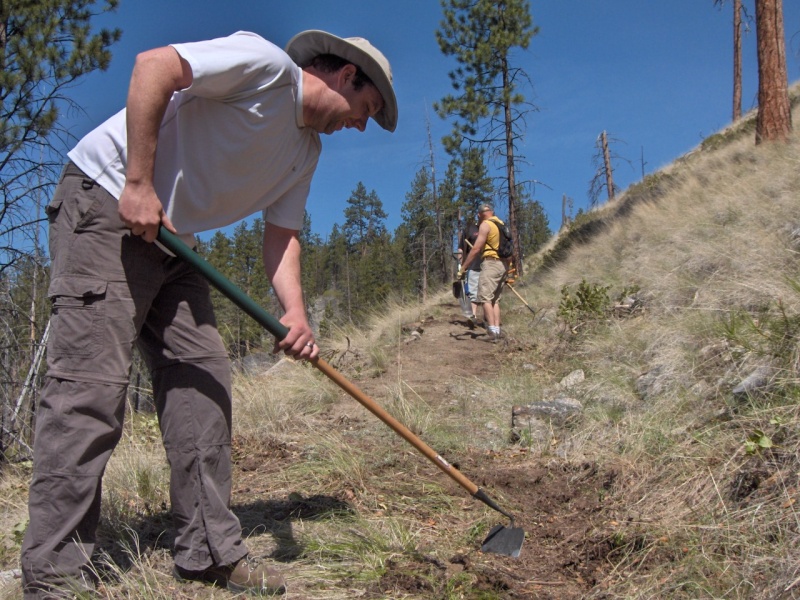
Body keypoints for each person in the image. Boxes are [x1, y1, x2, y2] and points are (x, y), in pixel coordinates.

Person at [20, 29, 397, 599]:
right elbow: (154, 65)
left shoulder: (306, 152)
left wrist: (295, 313)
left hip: (177, 240)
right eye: (366, 109)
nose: (361, 125)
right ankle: (53, 576)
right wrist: (139, 183)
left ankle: (208, 551)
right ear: (346, 76)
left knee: (203, 386)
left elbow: (282, 236)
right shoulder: (265, 66)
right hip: (108, 202)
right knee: (89, 391)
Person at [457, 203, 507, 342]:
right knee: (495, 300)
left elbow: (475, 249)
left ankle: (491, 331)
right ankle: (497, 330)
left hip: (491, 263)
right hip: (503, 264)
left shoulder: (486, 225)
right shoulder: (501, 224)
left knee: (485, 298)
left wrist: (463, 268)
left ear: (479, 215)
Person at [458, 215, 483, 328]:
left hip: (489, 262)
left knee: (488, 291)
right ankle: (473, 317)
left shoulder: (490, 227)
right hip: (473, 263)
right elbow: (461, 248)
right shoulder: (469, 230)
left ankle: (490, 319)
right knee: (473, 290)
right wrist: (461, 262)